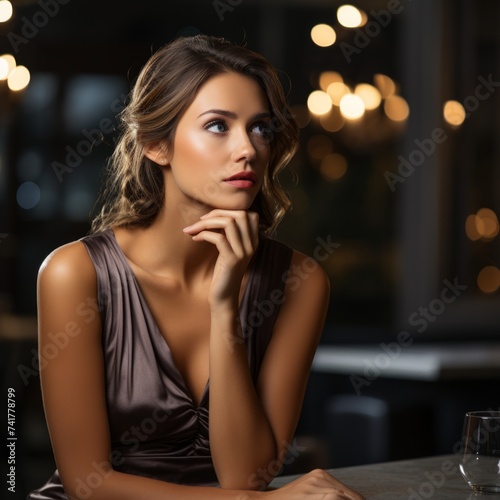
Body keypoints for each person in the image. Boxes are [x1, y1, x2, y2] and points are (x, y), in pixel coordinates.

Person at [29, 35, 364, 499]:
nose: (248, 149)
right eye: (217, 126)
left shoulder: (298, 282)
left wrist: (224, 306)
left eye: (261, 128)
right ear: (155, 145)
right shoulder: (74, 273)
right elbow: (89, 483)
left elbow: (246, 476)